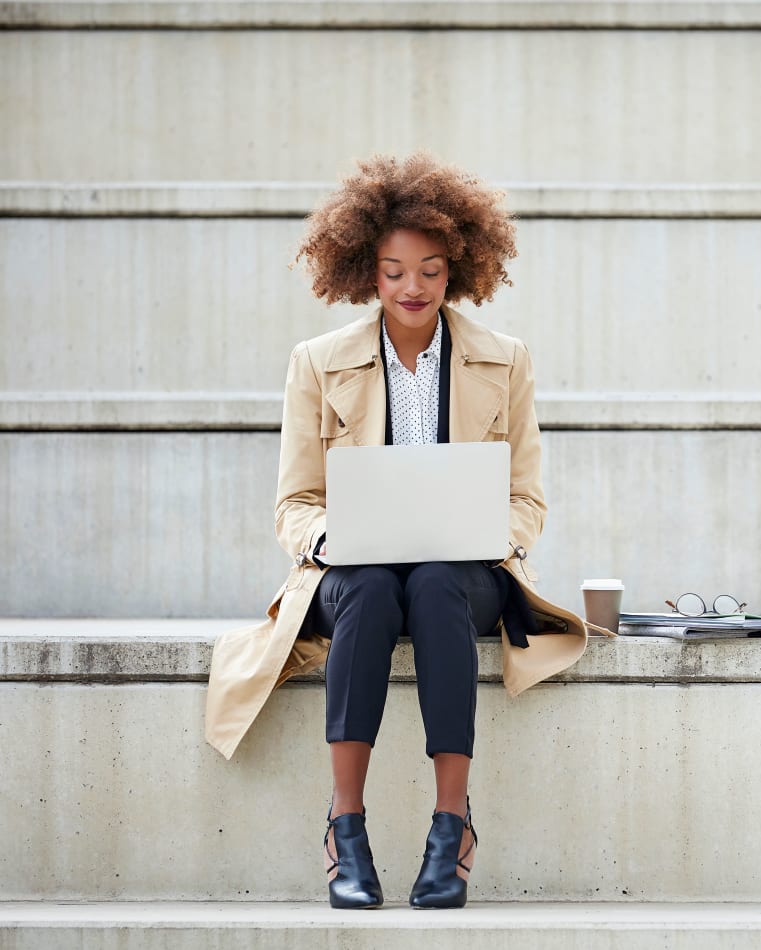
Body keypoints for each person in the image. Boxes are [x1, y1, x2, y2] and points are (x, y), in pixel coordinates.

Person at [204, 153, 597, 910]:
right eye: (392, 272)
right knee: (373, 587)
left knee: (439, 583)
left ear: (460, 269)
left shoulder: (504, 360)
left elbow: (528, 499)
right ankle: (344, 827)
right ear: (364, 272)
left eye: (430, 269)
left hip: (466, 572)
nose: (412, 288)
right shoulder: (317, 364)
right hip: (353, 573)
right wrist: (334, 538)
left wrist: (490, 532)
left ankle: (452, 825)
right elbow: (295, 503)